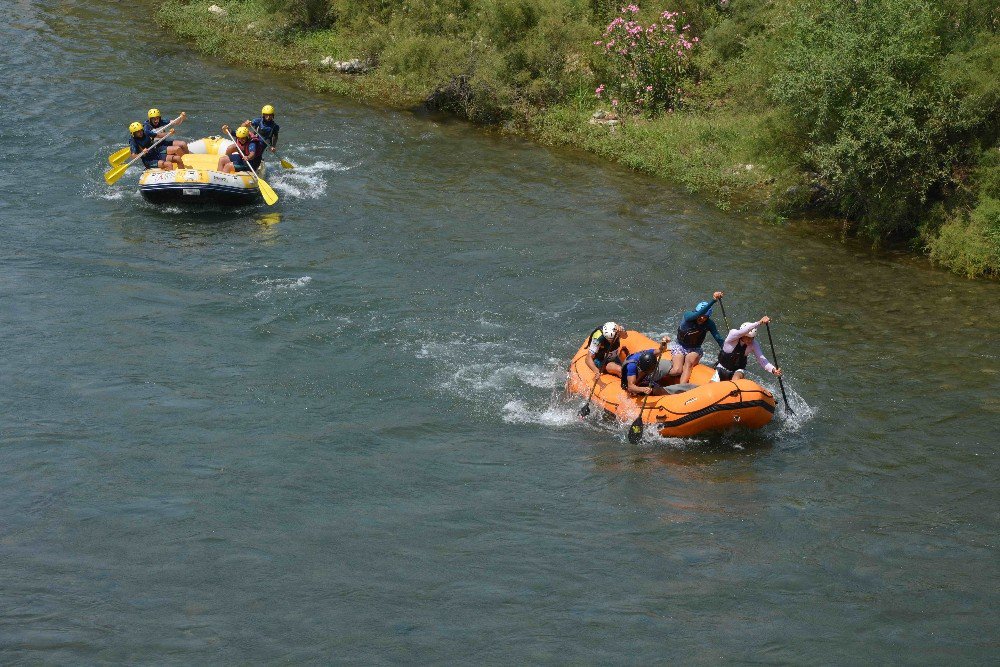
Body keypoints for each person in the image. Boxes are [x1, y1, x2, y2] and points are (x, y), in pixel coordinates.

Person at [668, 291, 726, 384]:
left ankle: (681, 388)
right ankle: (659, 376)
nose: (702, 318)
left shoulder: (709, 323)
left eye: (705, 317)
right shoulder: (688, 316)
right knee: (677, 370)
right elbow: (696, 315)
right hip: (680, 346)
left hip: (695, 349)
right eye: (701, 316)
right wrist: (713, 301)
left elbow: (718, 338)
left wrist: (726, 351)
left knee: (689, 363)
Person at [713, 317, 783, 382]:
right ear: (743, 334)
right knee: (712, 384)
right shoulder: (732, 335)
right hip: (722, 367)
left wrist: (773, 370)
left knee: (736, 379)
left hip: (738, 370)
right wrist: (759, 322)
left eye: (752, 338)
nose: (750, 340)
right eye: (748, 337)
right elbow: (743, 331)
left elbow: (762, 359)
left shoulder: (754, 344)